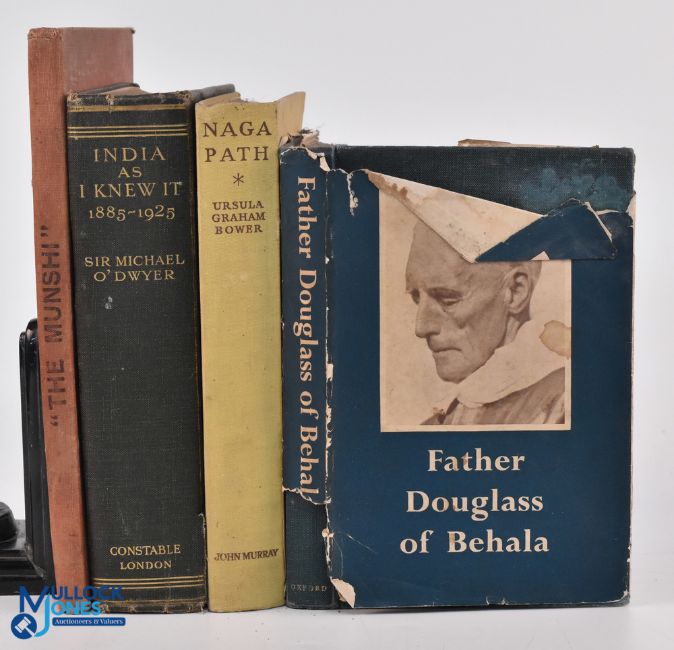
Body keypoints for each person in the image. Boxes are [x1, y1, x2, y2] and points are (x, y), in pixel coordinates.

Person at [405, 220, 566, 426]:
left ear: (515, 291)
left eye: (448, 299)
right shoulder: (433, 426)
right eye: (416, 298)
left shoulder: (566, 406)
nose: (421, 327)